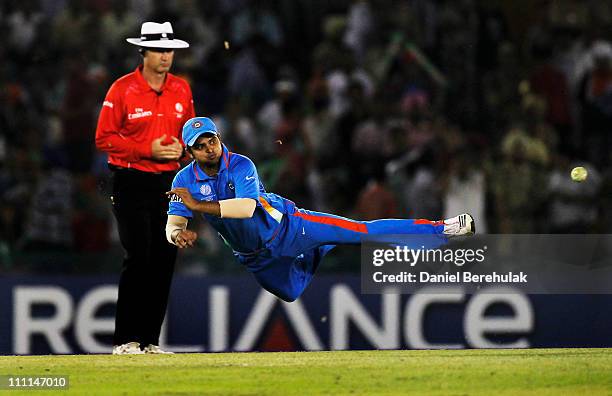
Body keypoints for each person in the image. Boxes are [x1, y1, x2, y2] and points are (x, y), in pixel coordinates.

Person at [166, 117, 475, 303]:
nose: (210, 148)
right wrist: (177, 234)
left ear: (219, 139)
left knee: (362, 232)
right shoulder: (184, 179)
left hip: (290, 227)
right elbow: (173, 222)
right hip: (255, 257)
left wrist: (198, 206)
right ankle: (321, 247)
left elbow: (246, 209)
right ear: (189, 151)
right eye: (201, 145)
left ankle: (442, 229)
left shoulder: (240, 164)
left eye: (212, 141)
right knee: (290, 293)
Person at [95, 22, 195, 355]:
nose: (166, 56)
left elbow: (189, 134)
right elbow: (103, 138)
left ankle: (150, 341)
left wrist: (183, 149)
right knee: (139, 255)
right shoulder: (122, 89)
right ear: (144, 52)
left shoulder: (181, 89)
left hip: (169, 183)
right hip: (131, 179)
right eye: (159, 50)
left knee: (165, 257)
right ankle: (125, 340)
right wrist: (145, 150)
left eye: (169, 50)